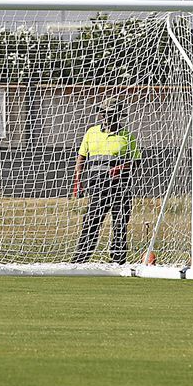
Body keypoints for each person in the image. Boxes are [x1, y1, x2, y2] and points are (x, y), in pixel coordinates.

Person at [71, 99, 141, 265]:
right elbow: (81, 157)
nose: (107, 116)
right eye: (104, 113)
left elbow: (137, 161)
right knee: (91, 220)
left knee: (120, 221)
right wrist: (77, 180)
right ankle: (80, 260)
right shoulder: (91, 133)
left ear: (118, 115)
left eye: (111, 113)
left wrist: (123, 167)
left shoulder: (127, 136)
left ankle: (118, 260)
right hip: (97, 183)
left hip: (120, 184)